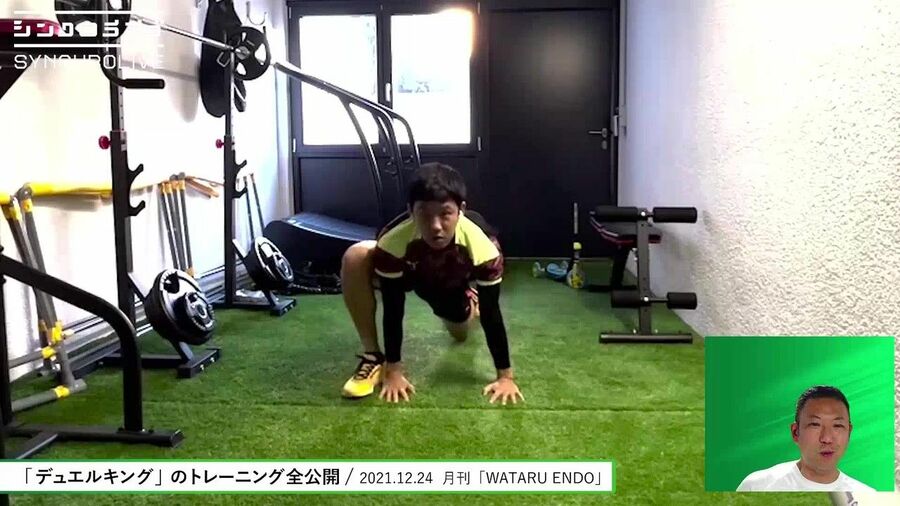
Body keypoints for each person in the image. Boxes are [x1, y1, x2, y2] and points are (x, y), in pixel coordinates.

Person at [339, 162, 523, 405]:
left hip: (449, 283)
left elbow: (492, 313)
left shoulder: (484, 249)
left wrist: (505, 377)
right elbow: (393, 307)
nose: (435, 226)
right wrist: (394, 371)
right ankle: (373, 357)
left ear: (461, 210)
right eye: (424, 214)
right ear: (411, 212)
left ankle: (469, 302)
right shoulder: (393, 242)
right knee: (356, 255)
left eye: (445, 214)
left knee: (460, 333)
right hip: (408, 271)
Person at [737, 386, 875, 492]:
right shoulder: (758, 487)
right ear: (795, 432)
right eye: (815, 424)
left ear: (849, 432)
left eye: (837, 425)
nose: (827, 438)